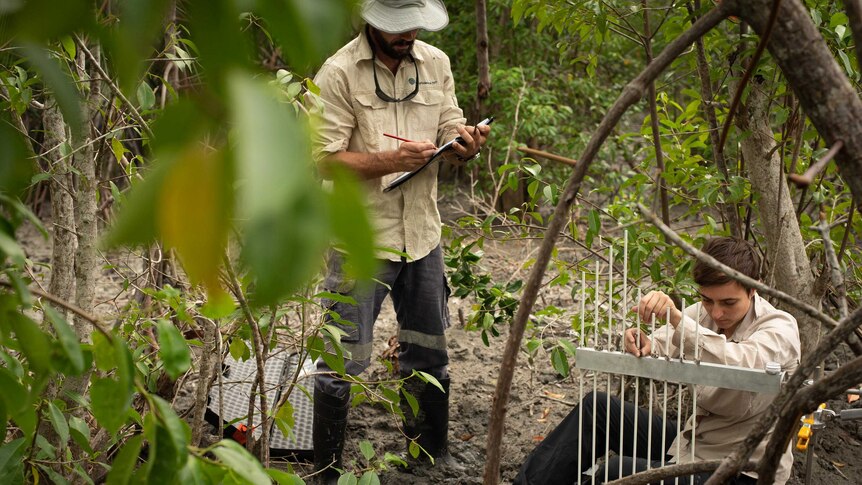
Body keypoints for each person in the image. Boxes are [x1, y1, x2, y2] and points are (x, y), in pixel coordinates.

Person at [308, 0, 491, 482]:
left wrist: (464, 143)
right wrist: (393, 161)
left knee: (428, 350)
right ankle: (326, 469)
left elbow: (451, 122)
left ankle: (431, 454)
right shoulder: (339, 72)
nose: (406, 34)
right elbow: (325, 159)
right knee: (341, 361)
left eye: (413, 25)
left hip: (423, 235)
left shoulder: (436, 63)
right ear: (369, 21)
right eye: (395, 27)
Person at [515, 237, 801, 484]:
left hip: (741, 472)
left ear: (754, 289)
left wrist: (677, 319)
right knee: (596, 409)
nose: (716, 314)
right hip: (693, 443)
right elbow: (664, 341)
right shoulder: (703, 314)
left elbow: (742, 362)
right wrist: (642, 341)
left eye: (728, 303)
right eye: (707, 301)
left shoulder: (779, 328)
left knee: (617, 473)